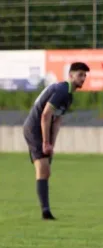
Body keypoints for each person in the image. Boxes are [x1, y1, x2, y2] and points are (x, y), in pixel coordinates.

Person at [22, 62, 90, 220]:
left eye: (85, 76)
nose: (83, 78)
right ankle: (45, 212)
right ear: (71, 75)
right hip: (34, 128)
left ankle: (45, 209)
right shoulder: (61, 90)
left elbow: (57, 120)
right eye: (80, 75)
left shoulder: (69, 95)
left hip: (41, 130)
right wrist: (46, 142)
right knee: (43, 169)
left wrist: (51, 143)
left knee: (46, 171)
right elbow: (46, 115)